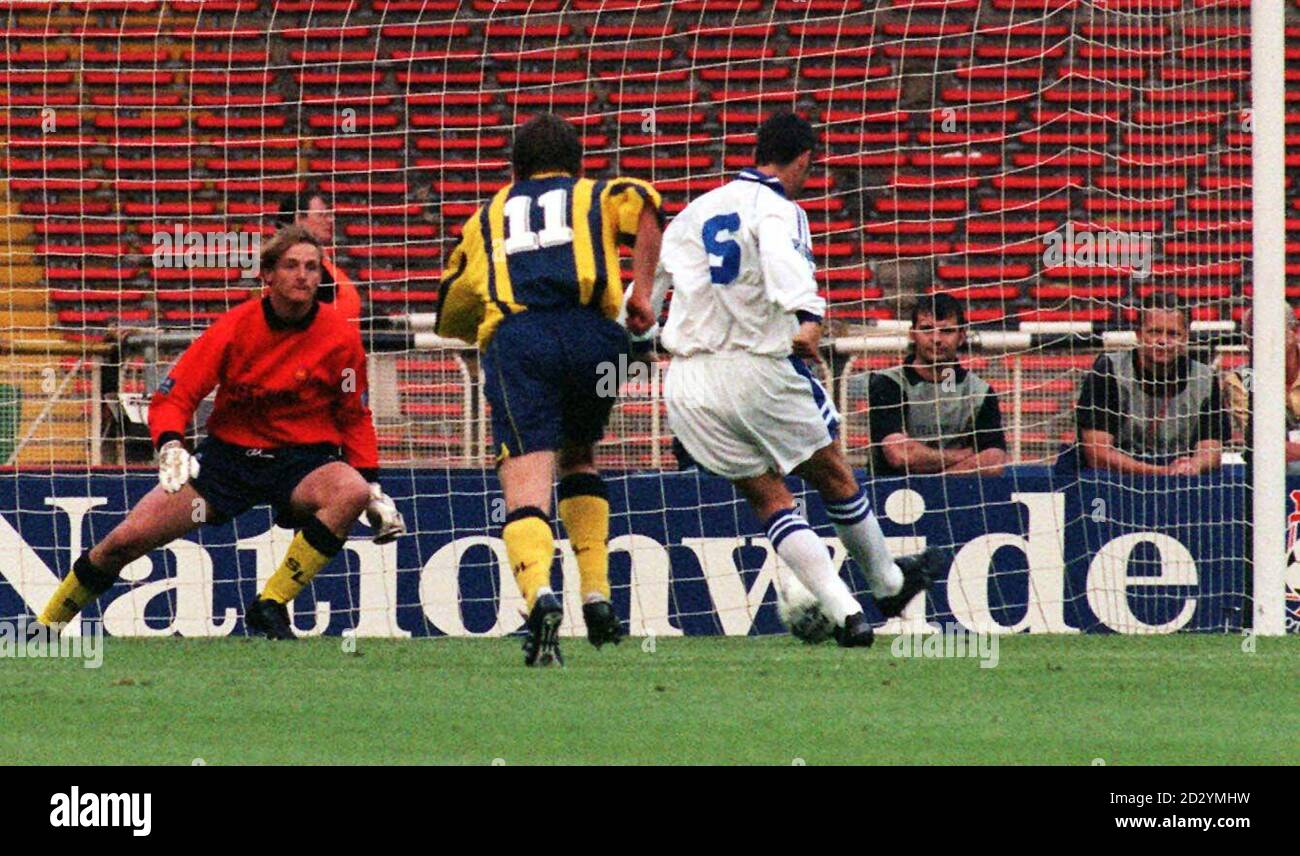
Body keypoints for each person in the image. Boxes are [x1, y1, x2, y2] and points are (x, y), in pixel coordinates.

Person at [640, 111, 945, 649]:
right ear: (803, 158)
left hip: (688, 381)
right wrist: (807, 315)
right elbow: (783, 261)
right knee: (832, 473)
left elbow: (647, 292)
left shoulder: (691, 213)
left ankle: (847, 613)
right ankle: (888, 584)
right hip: (757, 366)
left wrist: (633, 337)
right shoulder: (778, 207)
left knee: (764, 493)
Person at [36, 226, 406, 638]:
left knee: (349, 492)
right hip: (228, 462)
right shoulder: (234, 328)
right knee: (123, 541)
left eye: (312, 267)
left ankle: (271, 604)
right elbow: (175, 396)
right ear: (267, 275)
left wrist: (371, 485)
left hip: (304, 463)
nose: (303, 275)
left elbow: (354, 414)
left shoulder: (341, 337)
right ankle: (44, 629)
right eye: (291, 266)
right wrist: (171, 444)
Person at [435, 113, 664, 667]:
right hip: (598, 338)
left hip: (523, 339)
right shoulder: (599, 194)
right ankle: (597, 594)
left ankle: (539, 596)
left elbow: (451, 310)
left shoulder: (486, 215)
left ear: (516, 167)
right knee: (581, 457)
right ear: (577, 161)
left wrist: (484, 322)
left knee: (526, 477)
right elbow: (647, 202)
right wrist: (642, 293)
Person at [1075, 293, 1230, 474]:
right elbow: (1097, 455)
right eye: (1154, 332)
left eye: (1173, 333)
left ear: (1186, 336)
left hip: (1181, 484)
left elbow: (1211, 452)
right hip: (1114, 481)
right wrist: (1160, 472)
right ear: (1138, 334)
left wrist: (1193, 466)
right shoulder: (1109, 370)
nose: (1163, 341)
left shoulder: (1204, 378)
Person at [861, 292, 1007, 476]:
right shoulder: (888, 383)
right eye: (927, 329)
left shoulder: (979, 392)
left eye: (946, 331)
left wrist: (935, 486)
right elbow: (900, 455)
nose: (936, 339)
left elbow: (993, 462)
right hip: (894, 498)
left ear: (961, 336)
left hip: (959, 501)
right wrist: (965, 455)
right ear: (912, 334)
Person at [1223, 307, 1300, 472]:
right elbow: (1264, 442)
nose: (1262, 341)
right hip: (1272, 472)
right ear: (1246, 341)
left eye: (1270, 332)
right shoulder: (1242, 379)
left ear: (1294, 332)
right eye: (1253, 335)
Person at [278, 190, 362, 328]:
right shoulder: (289, 260)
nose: (330, 220)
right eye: (321, 215)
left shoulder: (320, 259)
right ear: (299, 218)